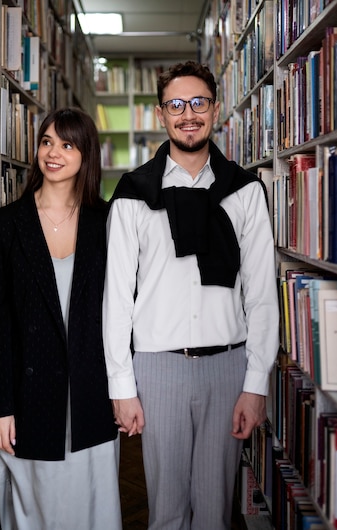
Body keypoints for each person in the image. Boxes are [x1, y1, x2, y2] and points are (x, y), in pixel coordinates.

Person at [102, 61, 279, 530]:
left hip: (228, 367)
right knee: (165, 510)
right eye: (176, 105)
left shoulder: (245, 192)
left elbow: (261, 294)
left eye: (198, 102)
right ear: (161, 114)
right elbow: (116, 297)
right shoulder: (133, 194)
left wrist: (256, 383)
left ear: (215, 110)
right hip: (157, 367)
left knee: (216, 512)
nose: (188, 114)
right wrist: (121, 387)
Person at [0, 107, 122, 530]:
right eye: (46, 142)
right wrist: (0, 406)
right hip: (29, 397)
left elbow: (121, 313)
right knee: (37, 508)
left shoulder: (107, 222)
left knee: (93, 506)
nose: (53, 152)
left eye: (66, 144)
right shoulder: (5, 225)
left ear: (85, 154)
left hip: (92, 395)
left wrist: (124, 389)